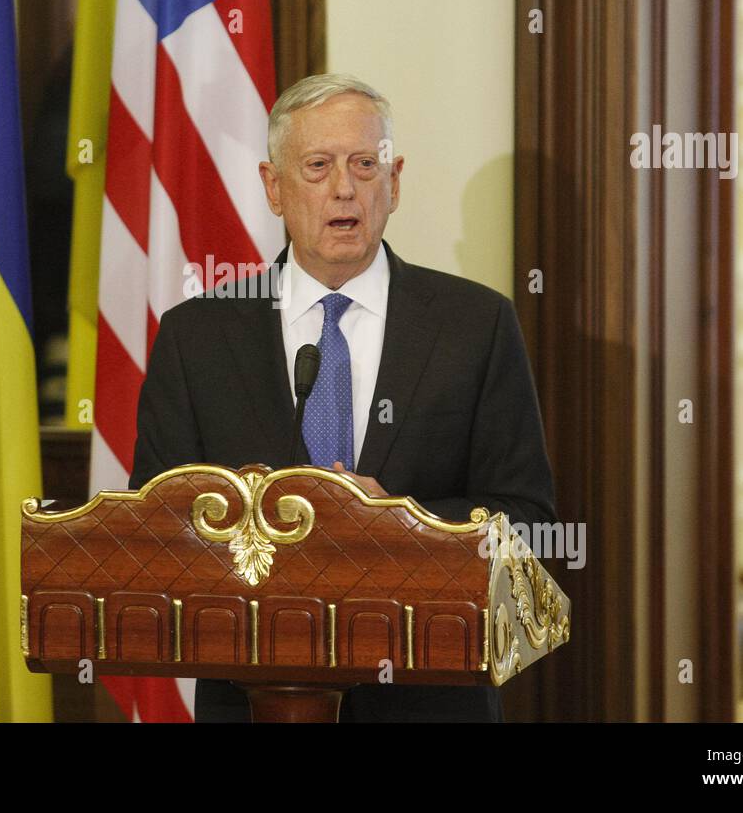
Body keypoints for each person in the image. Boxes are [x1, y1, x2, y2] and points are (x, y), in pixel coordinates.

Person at [128, 73, 557, 721]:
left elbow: (530, 521)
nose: (343, 187)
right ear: (274, 186)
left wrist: (404, 520)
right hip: (251, 695)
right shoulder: (199, 334)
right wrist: (226, 513)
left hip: (427, 702)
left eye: (364, 164)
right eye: (318, 165)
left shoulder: (475, 325)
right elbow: (150, 525)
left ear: (395, 180)